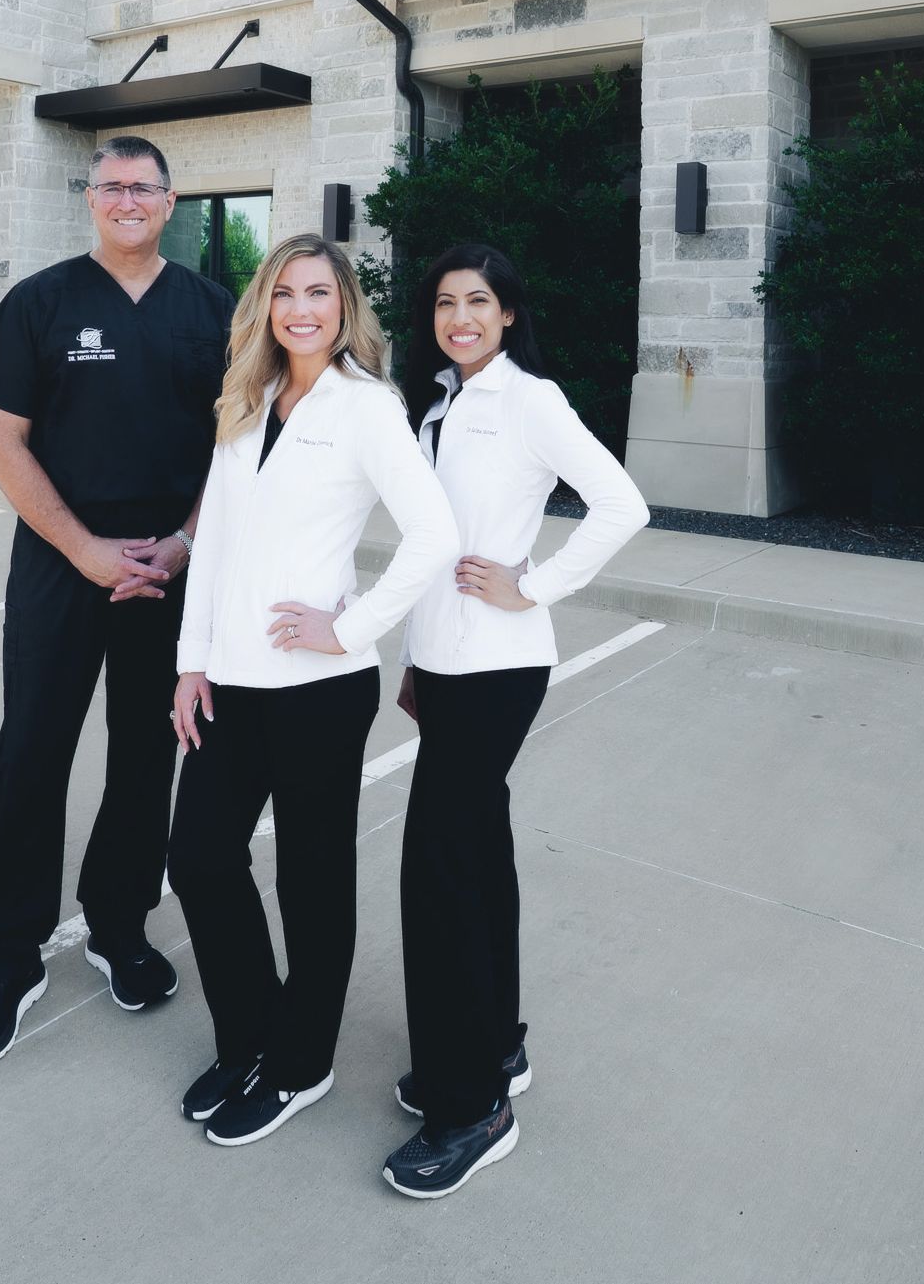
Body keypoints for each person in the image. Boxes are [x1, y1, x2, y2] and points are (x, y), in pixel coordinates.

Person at [0, 136, 234, 1066]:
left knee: (150, 754)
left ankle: (119, 924)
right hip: (61, 560)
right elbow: (2, 441)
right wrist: (85, 551)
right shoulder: (41, 301)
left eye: (142, 186)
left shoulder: (213, 309)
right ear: (89, 198)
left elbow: (237, 444)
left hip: (171, 563)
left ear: (170, 198)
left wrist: (184, 542)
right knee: (32, 749)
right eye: (108, 185)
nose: (125, 199)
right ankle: (6, 952)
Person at [168, 234, 459, 1147]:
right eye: (285, 292)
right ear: (265, 304)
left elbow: (434, 535)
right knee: (201, 857)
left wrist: (350, 625)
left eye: (319, 294)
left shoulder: (366, 406)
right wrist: (191, 658)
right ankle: (251, 1032)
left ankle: (300, 1061)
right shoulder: (246, 400)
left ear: (343, 310)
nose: (301, 308)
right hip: (231, 682)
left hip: (318, 688)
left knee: (311, 880)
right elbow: (212, 538)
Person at [383, 242, 648, 1198]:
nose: (460, 318)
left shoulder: (529, 399)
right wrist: (417, 657)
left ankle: (472, 1109)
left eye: (478, 302)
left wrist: (531, 583)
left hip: (499, 667)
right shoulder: (441, 400)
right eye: (446, 304)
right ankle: (494, 1045)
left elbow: (622, 504)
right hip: (447, 667)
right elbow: (432, 543)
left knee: (436, 872)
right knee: (477, 860)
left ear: (506, 313)